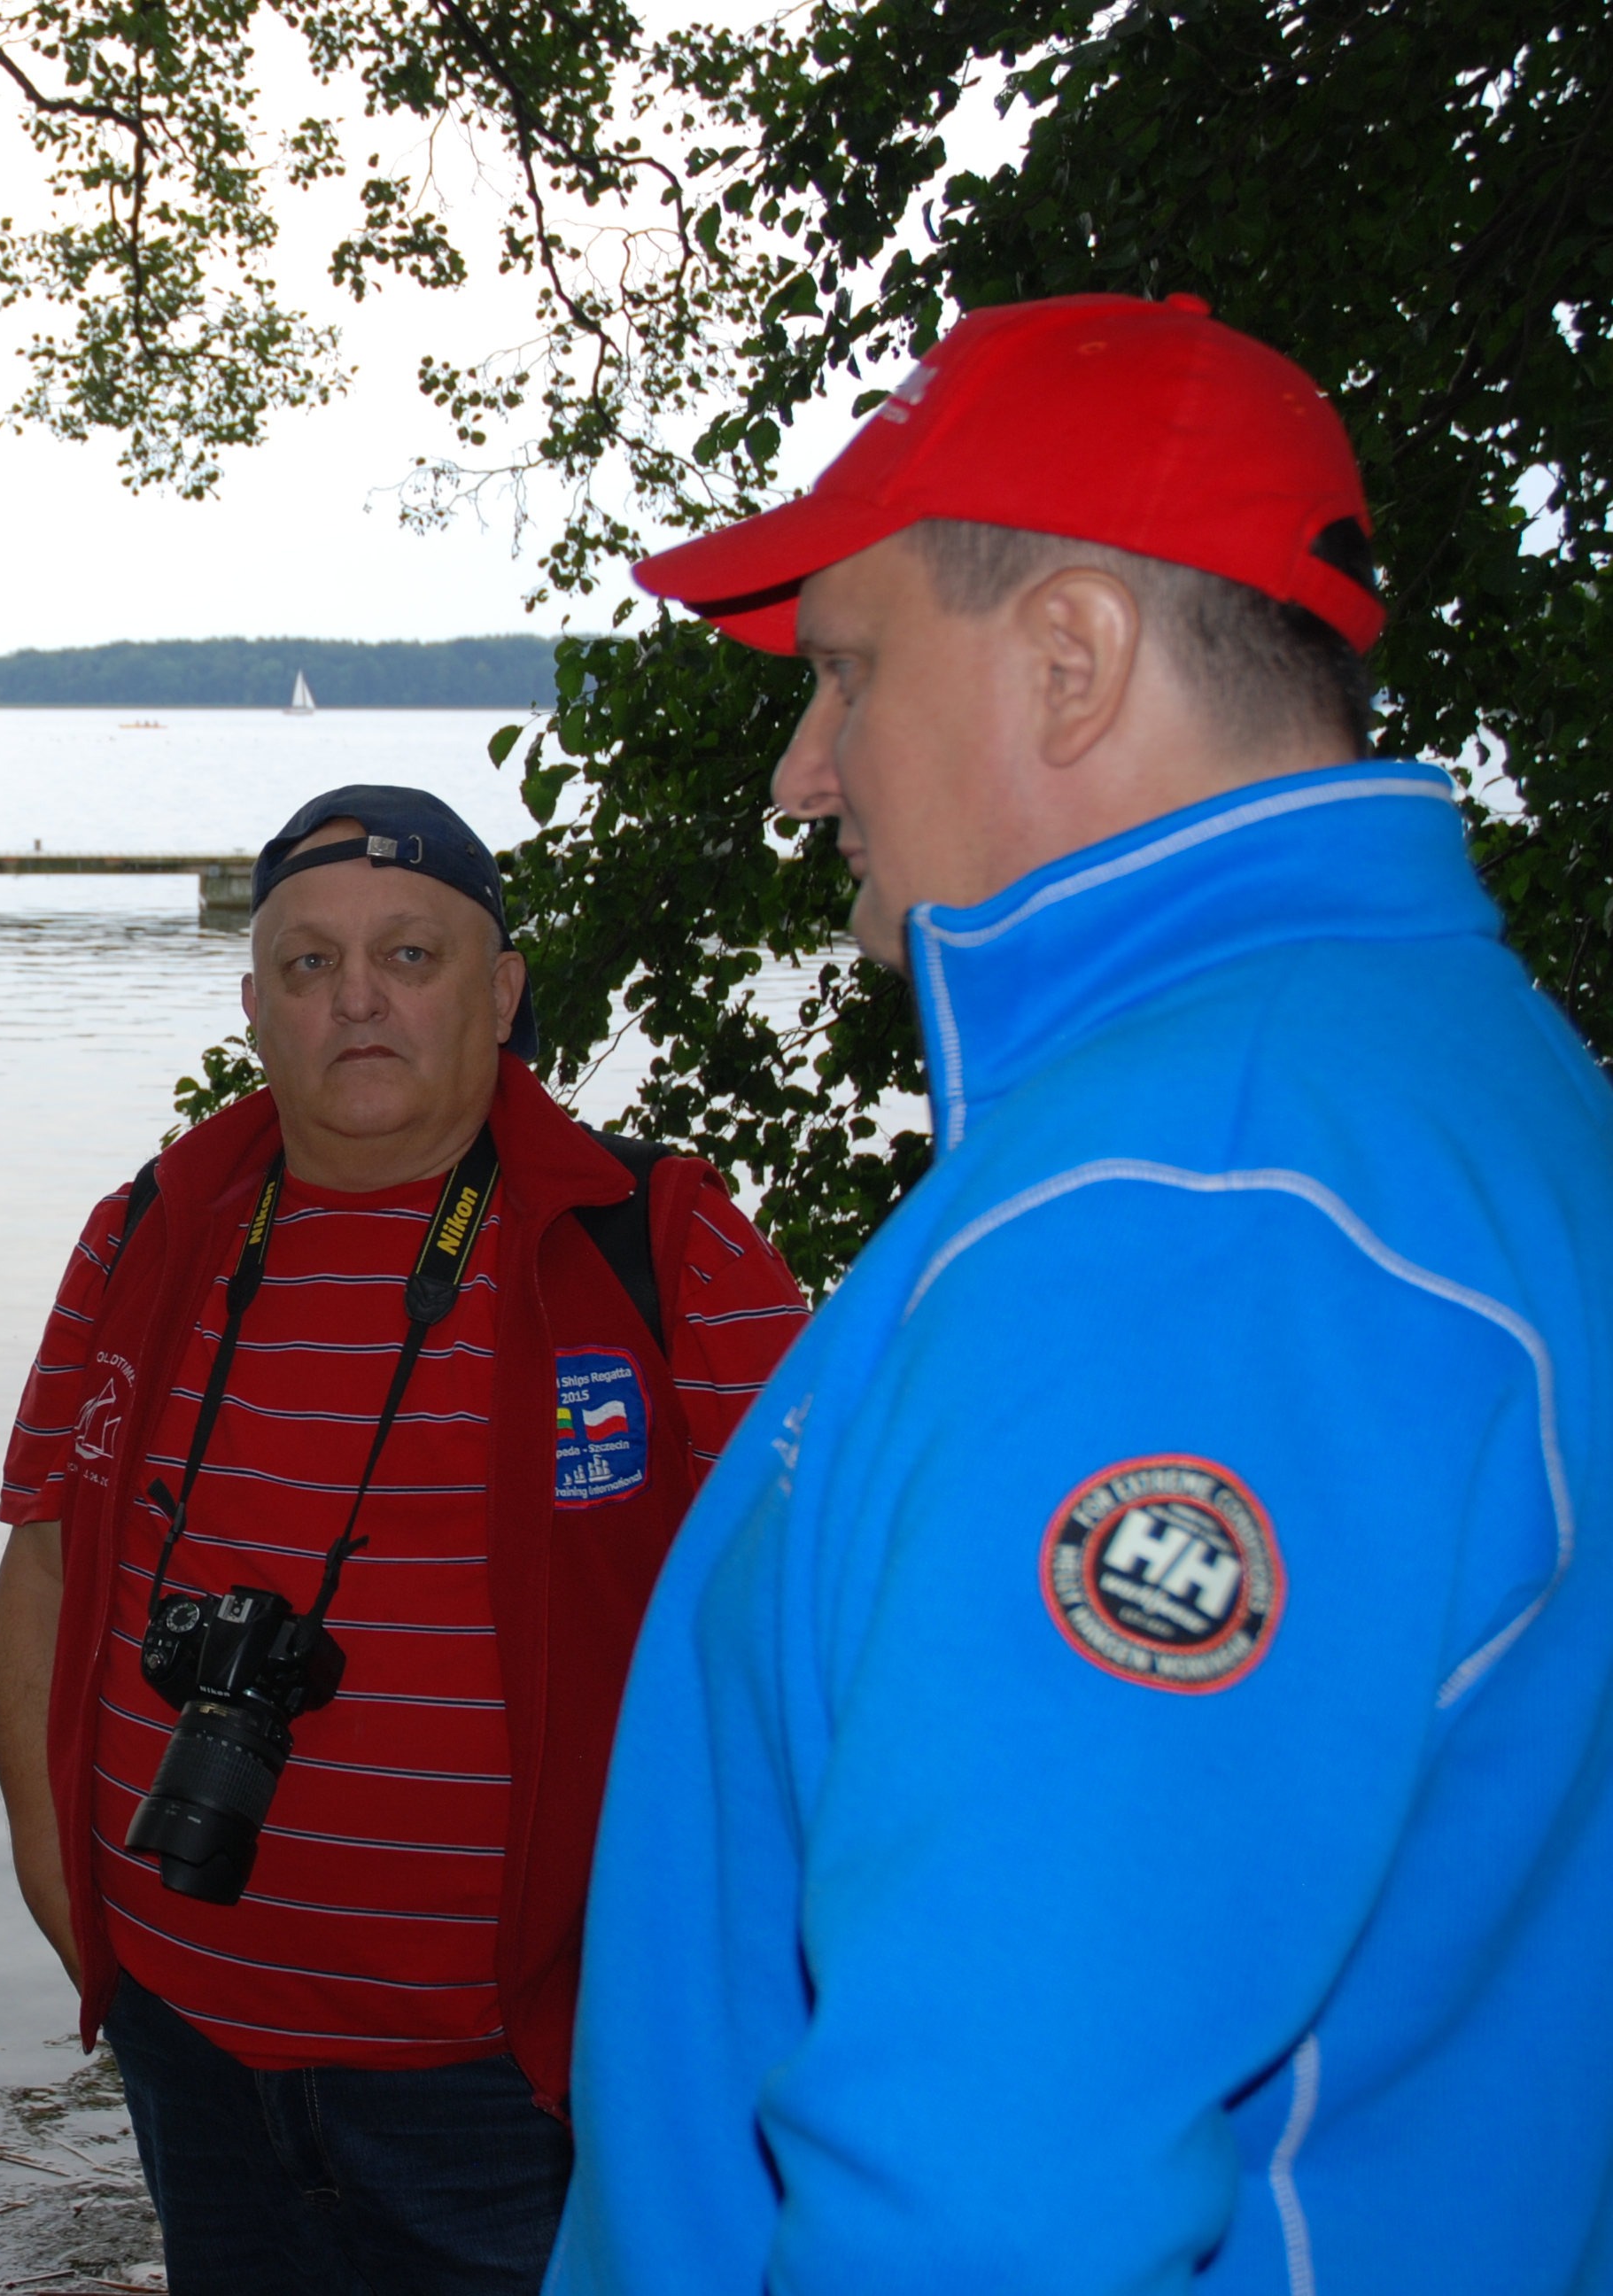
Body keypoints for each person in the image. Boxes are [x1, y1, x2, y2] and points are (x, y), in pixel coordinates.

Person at [554, 293, 1613, 2293]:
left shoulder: (1187, 1217)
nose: (801, 774)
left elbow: (985, 2200)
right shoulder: (1443, 1077)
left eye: (844, 674)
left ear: (1066, 657)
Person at [0, 785, 810, 2295]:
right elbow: (43, 1563)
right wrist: (73, 1906)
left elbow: (831, 1638)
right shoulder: (145, 1232)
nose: (355, 999)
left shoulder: (661, 1246)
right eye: (308, 965)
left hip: (523, 2084)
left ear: (500, 994)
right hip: (193, 2052)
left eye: (411, 957)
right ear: (253, 1006)